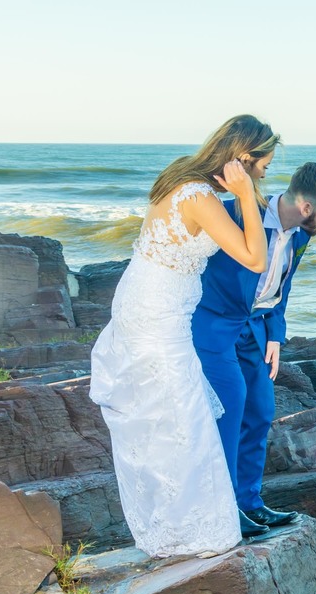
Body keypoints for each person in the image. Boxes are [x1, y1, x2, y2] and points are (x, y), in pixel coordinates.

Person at [89, 115, 279, 558]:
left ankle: (175, 522)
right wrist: (247, 199)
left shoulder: (183, 176)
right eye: (264, 165)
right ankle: (188, 529)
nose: (266, 173)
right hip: (157, 313)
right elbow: (255, 258)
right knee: (180, 413)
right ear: (243, 158)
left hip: (148, 301)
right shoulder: (197, 195)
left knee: (169, 413)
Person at [192, 162, 316, 536]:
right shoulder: (234, 213)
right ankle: (225, 508)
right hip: (215, 326)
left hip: (256, 331)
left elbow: (282, 286)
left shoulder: (300, 235)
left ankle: (250, 503)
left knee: (260, 412)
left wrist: (276, 335)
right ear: (307, 208)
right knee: (228, 414)